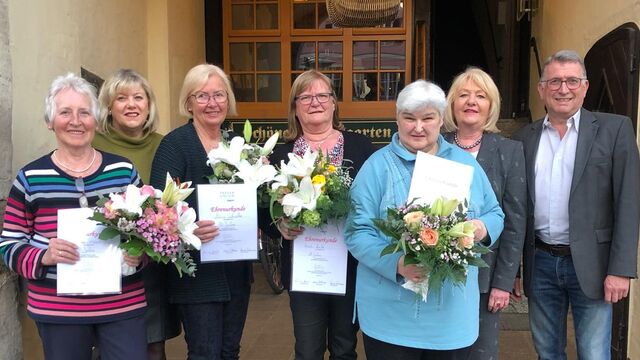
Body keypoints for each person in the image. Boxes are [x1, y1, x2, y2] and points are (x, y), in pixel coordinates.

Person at [344, 79, 504, 360]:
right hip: (390, 317)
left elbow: (495, 213)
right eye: (409, 118)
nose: (418, 127)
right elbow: (357, 230)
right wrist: (396, 264)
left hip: (450, 318)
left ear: (441, 119)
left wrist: (482, 229)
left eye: (427, 118)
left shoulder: (464, 164)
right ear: (397, 119)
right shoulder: (377, 166)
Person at [0, 73, 147, 359]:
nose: (76, 121)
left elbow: (147, 233)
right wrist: (44, 256)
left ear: (95, 120)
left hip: (121, 305)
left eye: (84, 112)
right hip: (58, 309)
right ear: (50, 121)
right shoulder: (30, 178)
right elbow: (8, 246)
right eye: (65, 112)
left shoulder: (123, 171)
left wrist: (138, 254)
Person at [512, 49, 640, 360]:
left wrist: (621, 269)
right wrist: (514, 268)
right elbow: (515, 210)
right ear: (541, 89)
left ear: (585, 86)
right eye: (554, 81)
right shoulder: (523, 138)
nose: (563, 89)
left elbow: (629, 201)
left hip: (593, 264)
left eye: (572, 80)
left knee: (595, 354)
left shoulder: (615, 129)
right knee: (547, 352)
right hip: (540, 262)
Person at [262, 69, 375, 360]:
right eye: (306, 96)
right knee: (307, 348)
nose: (315, 102)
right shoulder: (280, 156)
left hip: (349, 265)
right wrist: (279, 226)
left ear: (334, 103)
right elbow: (264, 209)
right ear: (295, 107)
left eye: (322, 95)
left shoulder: (361, 148)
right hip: (304, 269)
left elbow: (375, 200)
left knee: (344, 346)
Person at [149, 64, 251, 360]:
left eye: (219, 95)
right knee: (204, 353)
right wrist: (188, 229)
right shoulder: (175, 145)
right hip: (197, 275)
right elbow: (159, 209)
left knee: (230, 352)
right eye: (202, 96)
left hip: (236, 269)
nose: (212, 103)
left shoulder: (239, 145)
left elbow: (255, 198)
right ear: (188, 102)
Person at [93, 68, 179, 360]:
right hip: (103, 261)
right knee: (107, 345)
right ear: (108, 106)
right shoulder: (93, 145)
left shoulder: (165, 145)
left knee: (153, 345)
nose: (131, 105)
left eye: (138, 97)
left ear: (149, 105)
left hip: (150, 265)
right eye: (121, 98)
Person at [442, 67, 526, 359]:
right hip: (436, 274)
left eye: (480, 96)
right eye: (463, 95)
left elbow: (515, 223)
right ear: (452, 103)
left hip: (484, 279)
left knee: (479, 354)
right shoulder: (432, 147)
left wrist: (504, 283)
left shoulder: (510, 151)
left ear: (491, 105)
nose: (471, 101)